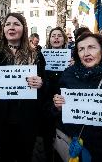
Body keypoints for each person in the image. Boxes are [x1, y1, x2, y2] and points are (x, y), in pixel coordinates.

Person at [53, 32, 102, 162]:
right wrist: (57, 106)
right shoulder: (68, 75)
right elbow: (53, 110)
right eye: (81, 49)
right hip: (74, 144)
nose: (86, 53)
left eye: (91, 47)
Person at [0, 13, 46, 162]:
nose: (11, 27)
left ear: (24, 29)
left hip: (27, 116)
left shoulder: (36, 55)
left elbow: (45, 83)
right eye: (8, 24)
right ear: (4, 29)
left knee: (25, 155)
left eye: (16, 24)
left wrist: (41, 83)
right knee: (5, 155)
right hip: (0, 116)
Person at [43, 27, 69, 161]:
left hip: (65, 102)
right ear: (49, 39)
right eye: (53, 35)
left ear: (64, 39)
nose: (56, 38)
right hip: (46, 101)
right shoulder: (41, 56)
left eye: (59, 35)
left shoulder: (72, 57)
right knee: (47, 133)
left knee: (63, 134)